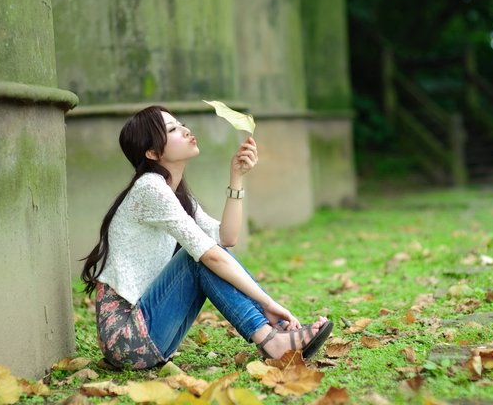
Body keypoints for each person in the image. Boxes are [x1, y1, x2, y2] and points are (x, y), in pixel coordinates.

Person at [80, 105, 333, 369]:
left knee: (206, 252)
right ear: (153, 153)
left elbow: (226, 238)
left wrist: (237, 177)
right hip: (127, 341)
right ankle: (271, 340)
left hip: (151, 338)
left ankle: (275, 335)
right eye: (173, 129)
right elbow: (210, 255)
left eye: (181, 124)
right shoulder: (150, 188)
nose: (186, 130)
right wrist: (267, 302)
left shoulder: (174, 194)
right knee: (198, 256)